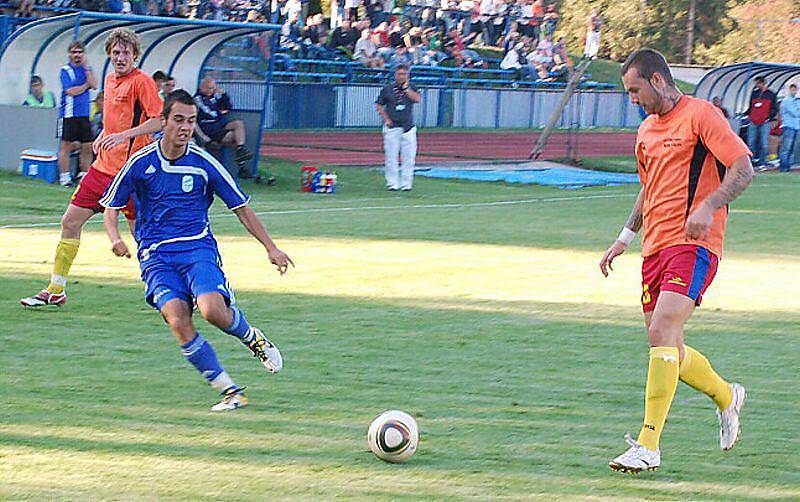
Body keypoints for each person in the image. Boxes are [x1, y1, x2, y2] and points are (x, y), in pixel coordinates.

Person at [600, 48, 753, 473]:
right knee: (665, 343)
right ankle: (726, 395)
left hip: (697, 244)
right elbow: (648, 190)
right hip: (655, 248)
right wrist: (624, 237)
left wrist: (708, 207)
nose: (631, 99)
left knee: (665, 326)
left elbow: (743, 169)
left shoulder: (702, 114)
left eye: (634, 90)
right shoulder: (646, 131)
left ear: (657, 81)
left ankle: (648, 445)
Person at [99, 90, 292, 411]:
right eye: (178, 120)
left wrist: (271, 248)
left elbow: (241, 208)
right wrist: (115, 238)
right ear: (163, 122)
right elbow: (111, 206)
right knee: (177, 319)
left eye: (191, 121)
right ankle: (230, 391)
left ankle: (251, 337)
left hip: (196, 249)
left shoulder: (203, 163)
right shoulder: (140, 163)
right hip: (156, 257)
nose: (185, 127)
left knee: (213, 311)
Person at [20, 28, 163, 308]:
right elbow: (115, 122)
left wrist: (125, 135)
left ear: (135, 54)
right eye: (116, 52)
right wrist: (105, 134)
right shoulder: (109, 80)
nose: (121, 57)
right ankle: (56, 288)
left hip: (131, 171)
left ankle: (172, 290)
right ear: (109, 54)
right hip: (102, 169)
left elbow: (159, 121)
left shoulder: (142, 82)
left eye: (126, 52)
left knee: (143, 235)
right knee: (70, 222)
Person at [194, 77, 256, 178]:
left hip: (219, 125)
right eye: (209, 88)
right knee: (234, 137)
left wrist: (224, 95)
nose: (212, 90)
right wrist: (217, 106)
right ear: (202, 87)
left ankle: (240, 151)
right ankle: (241, 165)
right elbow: (208, 112)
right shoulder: (198, 98)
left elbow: (228, 107)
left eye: (213, 88)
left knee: (238, 124)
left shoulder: (213, 97)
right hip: (209, 127)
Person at [57, 41, 98, 186]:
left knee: (87, 146)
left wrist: (87, 69)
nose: (77, 55)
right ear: (69, 54)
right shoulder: (65, 70)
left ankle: (84, 176)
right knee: (66, 146)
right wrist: (85, 86)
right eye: (74, 52)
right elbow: (71, 91)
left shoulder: (87, 69)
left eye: (80, 52)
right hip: (69, 114)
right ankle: (64, 177)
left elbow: (95, 85)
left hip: (84, 114)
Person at [375, 64, 421, 191]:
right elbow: (379, 105)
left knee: (409, 157)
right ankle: (392, 183)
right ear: (395, 75)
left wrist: (406, 89)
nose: (402, 77)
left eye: (404, 74)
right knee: (391, 156)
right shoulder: (387, 89)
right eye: (399, 74)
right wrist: (386, 119)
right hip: (392, 127)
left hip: (408, 127)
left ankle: (407, 183)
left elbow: (417, 99)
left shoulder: (412, 87)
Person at [744, 76, 778, 169]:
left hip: (765, 122)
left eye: (757, 83)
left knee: (764, 143)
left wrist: (769, 118)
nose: (756, 85)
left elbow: (774, 108)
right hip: (753, 121)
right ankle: (750, 163)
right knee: (751, 143)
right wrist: (747, 114)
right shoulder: (754, 93)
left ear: (762, 83)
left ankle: (762, 163)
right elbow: (751, 106)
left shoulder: (771, 94)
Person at [778, 83, 799, 173]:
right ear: (789, 90)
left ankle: (788, 167)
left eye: (795, 89)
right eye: (792, 89)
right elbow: (795, 113)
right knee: (786, 148)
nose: (793, 91)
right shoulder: (786, 101)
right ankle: (783, 167)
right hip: (788, 126)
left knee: (793, 148)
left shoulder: (797, 101)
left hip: (797, 127)